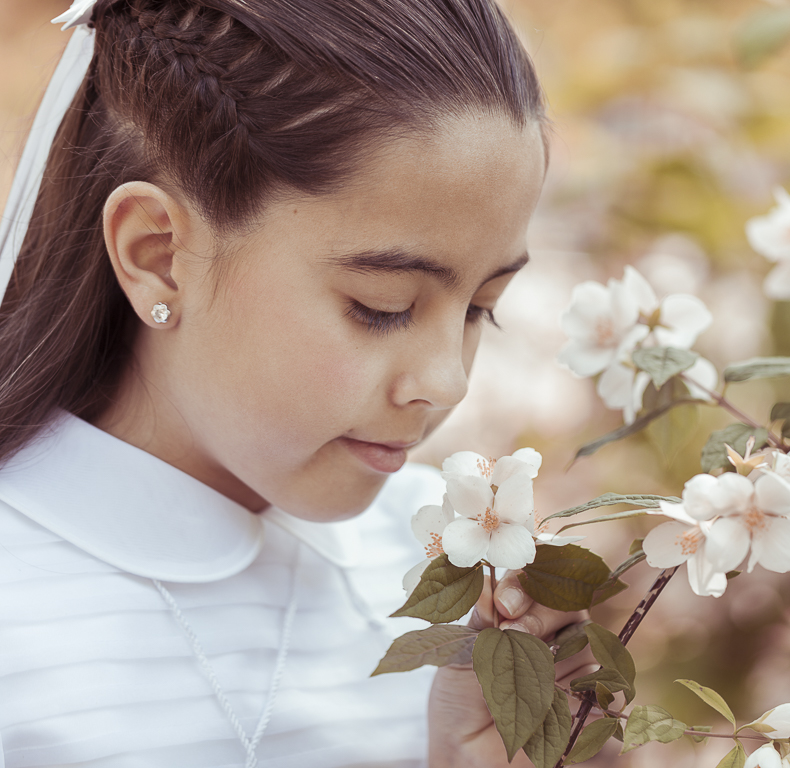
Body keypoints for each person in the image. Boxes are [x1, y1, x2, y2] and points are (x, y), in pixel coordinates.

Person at [0, 1, 592, 766]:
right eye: (382, 308)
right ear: (156, 254)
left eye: (483, 310)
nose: (447, 383)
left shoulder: (455, 579)